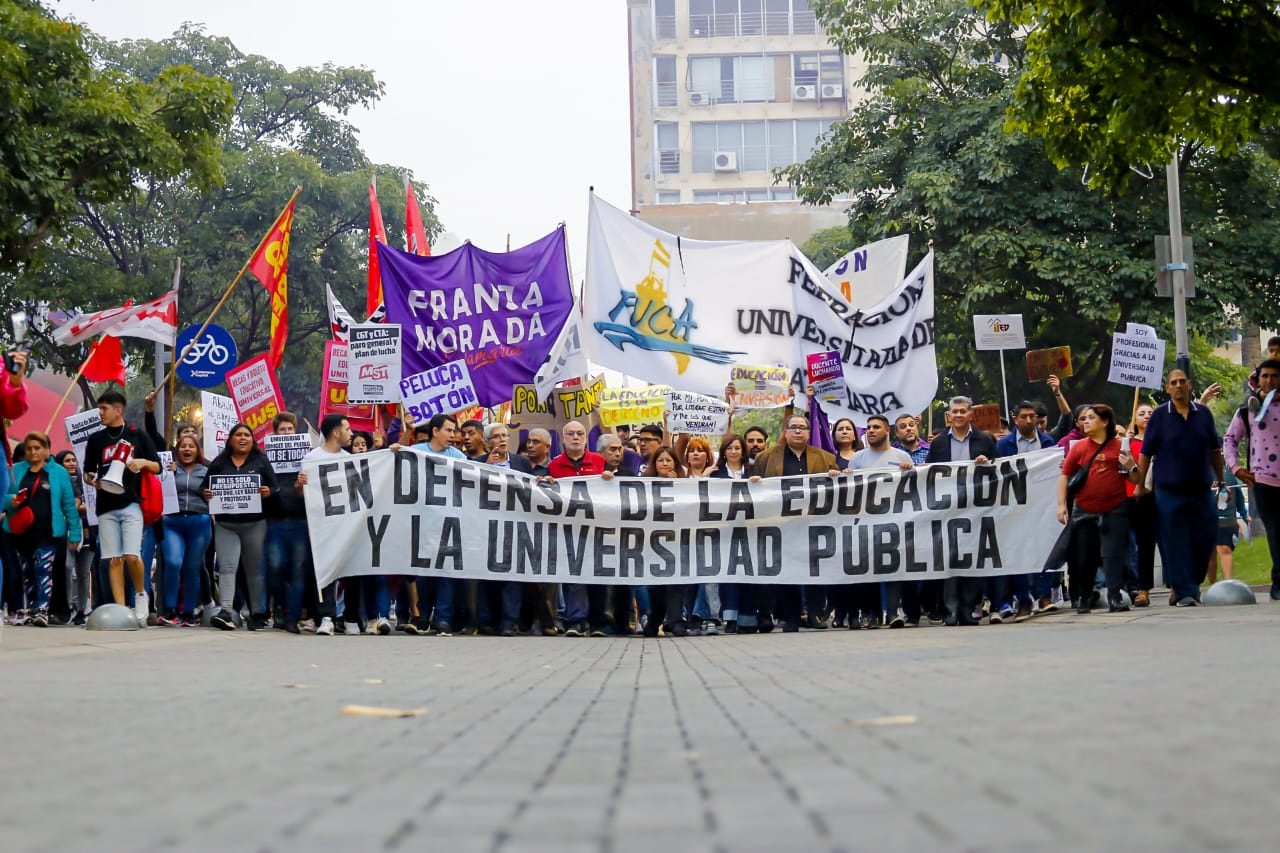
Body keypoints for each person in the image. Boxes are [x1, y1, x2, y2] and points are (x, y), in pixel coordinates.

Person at [1135, 369, 1224, 607]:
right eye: (1173, 383)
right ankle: (1185, 591)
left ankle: (1192, 581)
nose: (1178, 386)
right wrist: (1140, 485)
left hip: (1201, 487)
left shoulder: (1203, 413)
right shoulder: (1159, 416)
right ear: (1167, 388)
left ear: (1189, 384)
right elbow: (1146, 452)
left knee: (1206, 535)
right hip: (1169, 490)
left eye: (1181, 381)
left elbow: (1214, 449)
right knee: (1176, 539)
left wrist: (1221, 477)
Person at [82, 390, 161, 625]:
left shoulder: (137, 435)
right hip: (105, 506)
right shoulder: (96, 439)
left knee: (132, 556)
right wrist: (91, 480)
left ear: (118, 410)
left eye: (104, 409)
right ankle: (120, 608)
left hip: (131, 503)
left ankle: (140, 594)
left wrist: (142, 462)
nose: (100, 413)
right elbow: (87, 471)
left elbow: (158, 466)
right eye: (99, 408)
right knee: (113, 559)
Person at [753, 414, 837, 632]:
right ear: (786, 431)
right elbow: (752, 487)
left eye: (802, 427)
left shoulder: (825, 458)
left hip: (814, 522)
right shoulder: (766, 457)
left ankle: (815, 614)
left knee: (815, 570)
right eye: (793, 427)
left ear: (809, 432)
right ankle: (790, 616)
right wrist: (754, 482)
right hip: (782, 524)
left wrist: (839, 476)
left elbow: (840, 488)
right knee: (787, 569)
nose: (798, 431)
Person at [925, 396, 997, 626]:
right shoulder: (938, 443)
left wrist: (988, 462)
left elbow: (1001, 469)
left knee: (971, 558)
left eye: (962, 411)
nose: (958, 415)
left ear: (970, 414)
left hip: (976, 509)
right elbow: (928, 474)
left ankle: (968, 609)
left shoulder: (984, 439)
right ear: (949, 416)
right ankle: (951, 610)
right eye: (954, 412)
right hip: (947, 509)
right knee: (949, 559)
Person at [394, 413, 467, 635]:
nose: (452, 435)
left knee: (446, 573)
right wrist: (405, 434)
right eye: (448, 430)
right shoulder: (418, 451)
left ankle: (443, 618)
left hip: (450, 524)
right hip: (423, 524)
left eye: (454, 431)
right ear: (435, 431)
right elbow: (397, 458)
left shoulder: (459, 457)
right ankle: (423, 616)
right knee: (424, 574)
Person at [1057, 405, 1133, 614]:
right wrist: (1061, 504)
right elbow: (1065, 476)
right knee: (1085, 556)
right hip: (1084, 509)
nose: (1086, 421)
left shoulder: (1120, 446)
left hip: (1115, 507)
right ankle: (1085, 597)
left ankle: (1115, 597)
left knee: (1112, 554)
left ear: (1105, 421)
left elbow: (1135, 477)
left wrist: (1131, 466)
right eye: (1084, 418)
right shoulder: (1079, 447)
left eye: (1091, 418)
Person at [203, 422, 278, 631]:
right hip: (226, 525)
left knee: (254, 570)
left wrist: (268, 492)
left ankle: (258, 613)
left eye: (247, 435)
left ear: (252, 440)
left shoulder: (261, 461)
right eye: (238, 435)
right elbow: (204, 488)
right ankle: (226, 612)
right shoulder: (219, 462)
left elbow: (275, 487)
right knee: (227, 568)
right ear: (231, 440)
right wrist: (206, 494)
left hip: (255, 524)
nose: (243, 438)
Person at [3, 433, 81, 627]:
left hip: (49, 533)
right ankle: (31, 609)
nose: (33, 452)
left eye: (37, 448)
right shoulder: (15, 470)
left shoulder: (59, 472)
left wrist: (75, 533)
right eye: (29, 448)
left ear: (47, 449)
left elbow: (69, 505)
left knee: (43, 570)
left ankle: (42, 610)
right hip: (21, 532)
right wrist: (12, 501)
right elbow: (4, 496)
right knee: (27, 572)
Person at [845, 415, 913, 629]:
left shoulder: (902, 456)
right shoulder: (857, 459)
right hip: (866, 520)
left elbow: (913, 488)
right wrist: (846, 476)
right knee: (868, 567)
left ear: (887, 431)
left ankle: (893, 613)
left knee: (892, 566)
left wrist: (909, 471)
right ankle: (871, 614)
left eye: (876, 427)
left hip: (894, 520)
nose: (871, 431)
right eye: (868, 427)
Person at [994, 401, 1058, 622]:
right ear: (1015, 419)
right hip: (1016, 506)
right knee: (1017, 551)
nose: (1029, 420)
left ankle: (1044, 595)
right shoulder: (1004, 445)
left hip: (1043, 504)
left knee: (1046, 549)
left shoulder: (1048, 442)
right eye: (1024, 416)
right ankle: (1024, 599)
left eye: (1032, 416)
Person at [546, 420, 611, 637]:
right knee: (574, 576)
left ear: (586, 437)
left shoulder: (600, 462)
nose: (575, 437)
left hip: (596, 529)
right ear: (562, 438)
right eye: (571, 434)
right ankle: (576, 620)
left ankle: (598, 622)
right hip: (569, 530)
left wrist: (611, 480)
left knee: (598, 576)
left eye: (580, 433)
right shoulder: (554, 466)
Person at [1224, 358, 1280, 599]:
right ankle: (1278, 583)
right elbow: (1229, 439)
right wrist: (1236, 467)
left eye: (1275, 376)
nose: (1270, 380)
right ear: (1257, 380)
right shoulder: (1247, 410)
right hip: (1263, 481)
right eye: (1265, 376)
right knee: (1275, 531)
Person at [479, 422, 536, 636]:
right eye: (496, 436)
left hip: (515, 526)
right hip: (487, 526)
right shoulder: (476, 463)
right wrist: (486, 468)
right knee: (489, 576)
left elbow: (531, 489)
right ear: (487, 442)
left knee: (512, 574)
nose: (502, 440)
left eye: (505, 435)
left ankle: (509, 622)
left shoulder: (521, 462)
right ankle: (489, 620)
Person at [300, 414, 352, 635]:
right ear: (336, 433)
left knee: (346, 571)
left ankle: (347, 617)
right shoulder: (312, 459)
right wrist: (299, 484)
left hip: (345, 525)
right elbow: (304, 493)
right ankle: (326, 616)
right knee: (323, 571)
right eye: (347, 429)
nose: (351, 433)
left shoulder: (349, 459)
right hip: (321, 526)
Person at [263, 412, 312, 634]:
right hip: (275, 522)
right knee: (275, 567)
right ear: (275, 434)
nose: (286, 433)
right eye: (282, 430)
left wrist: (301, 487)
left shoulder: (306, 460)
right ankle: (281, 607)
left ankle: (292, 617)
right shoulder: (266, 460)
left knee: (298, 570)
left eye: (289, 429)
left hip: (300, 521)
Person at [158, 434, 210, 627]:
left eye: (191, 446)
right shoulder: (169, 469)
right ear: (177, 450)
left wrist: (209, 495)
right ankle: (170, 609)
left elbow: (216, 496)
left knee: (192, 567)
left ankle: (188, 612)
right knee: (173, 562)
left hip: (199, 521)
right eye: (183, 446)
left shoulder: (206, 471)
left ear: (197, 450)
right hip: (173, 521)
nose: (187, 449)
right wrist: (168, 474)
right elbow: (160, 488)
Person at [641, 445, 691, 637]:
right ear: (654, 464)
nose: (664, 464)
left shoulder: (685, 485)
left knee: (676, 581)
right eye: (660, 460)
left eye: (668, 460)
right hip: (652, 539)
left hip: (677, 539)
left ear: (675, 464)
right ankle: (655, 619)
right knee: (655, 583)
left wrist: (677, 486)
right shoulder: (643, 484)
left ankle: (676, 621)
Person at [711, 434, 749, 633]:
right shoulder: (715, 474)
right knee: (729, 574)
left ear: (743, 451)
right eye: (730, 448)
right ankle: (730, 617)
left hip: (751, 530)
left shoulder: (753, 472)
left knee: (748, 573)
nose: (734, 451)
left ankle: (747, 617)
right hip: (724, 531)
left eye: (737, 448)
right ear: (724, 452)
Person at [54, 449, 93, 625]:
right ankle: (67, 606)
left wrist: (86, 508)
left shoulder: (87, 482)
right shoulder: (57, 482)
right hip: (66, 532)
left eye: (73, 460)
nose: (71, 464)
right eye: (67, 461)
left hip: (87, 531)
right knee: (67, 567)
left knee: (84, 572)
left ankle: (81, 610)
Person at [1126, 402, 1157, 606]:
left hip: (1153, 497)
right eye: (1142, 413)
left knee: (1148, 544)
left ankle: (1145, 588)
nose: (1146, 416)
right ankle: (1132, 586)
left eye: (1150, 413)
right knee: (1130, 545)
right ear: (1135, 419)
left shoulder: (1159, 441)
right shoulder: (1128, 444)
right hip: (1130, 498)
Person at [1208, 468, 1248, 583]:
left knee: (1224, 549)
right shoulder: (1200, 472)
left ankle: (1228, 583)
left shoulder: (1229, 473)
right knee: (1210, 555)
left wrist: (1244, 514)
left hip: (1226, 519)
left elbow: (1238, 496)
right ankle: (1213, 584)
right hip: (1207, 520)